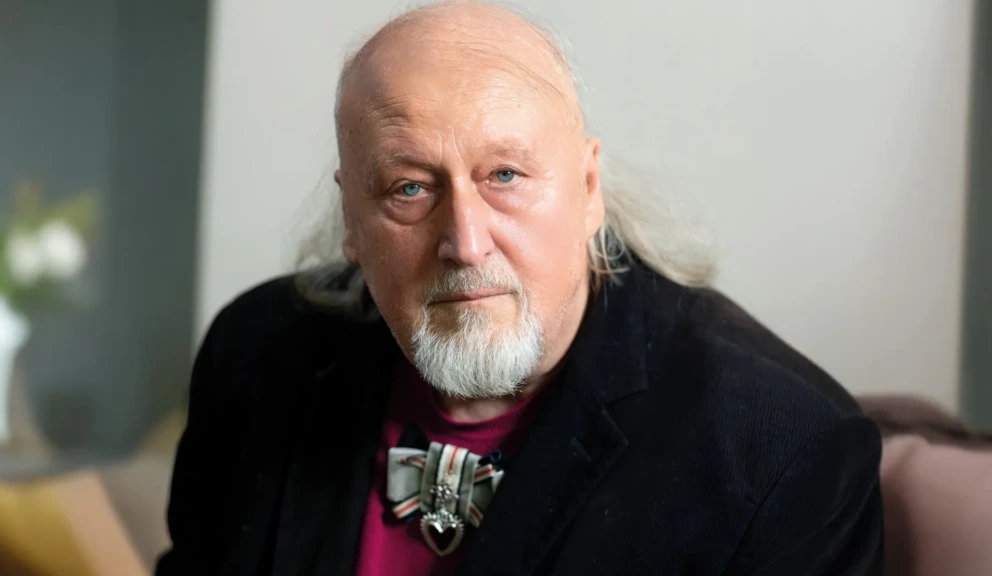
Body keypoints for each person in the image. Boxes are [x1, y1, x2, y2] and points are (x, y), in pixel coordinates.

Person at [155, 2, 883, 575]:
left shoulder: (783, 451)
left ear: (588, 188)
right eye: (410, 188)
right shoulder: (255, 352)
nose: (466, 242)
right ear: (352, 217)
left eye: (504, 175)